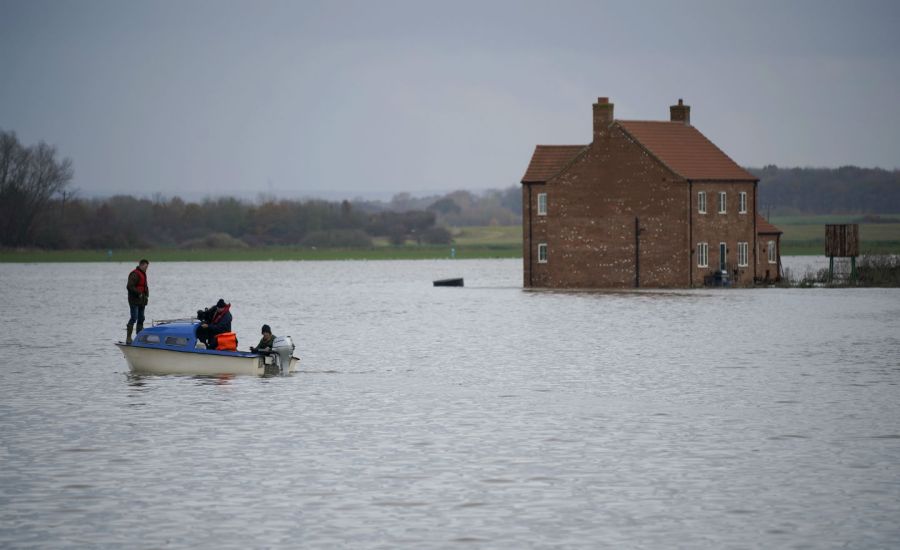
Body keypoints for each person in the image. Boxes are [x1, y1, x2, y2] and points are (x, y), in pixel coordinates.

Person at [125, 259, 149, 344]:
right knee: (134, 317)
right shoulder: (134, 274)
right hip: (134, 300)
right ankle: (128, 338)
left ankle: (139, 337)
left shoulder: (143, 274)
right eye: (146, 267)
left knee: (141, 318)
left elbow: (144, 286)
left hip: (142, 301)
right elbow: (129, 286)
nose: (146, 268)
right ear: (141, 265)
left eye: (147, 267)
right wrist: (139, 293)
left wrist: (146, 296)